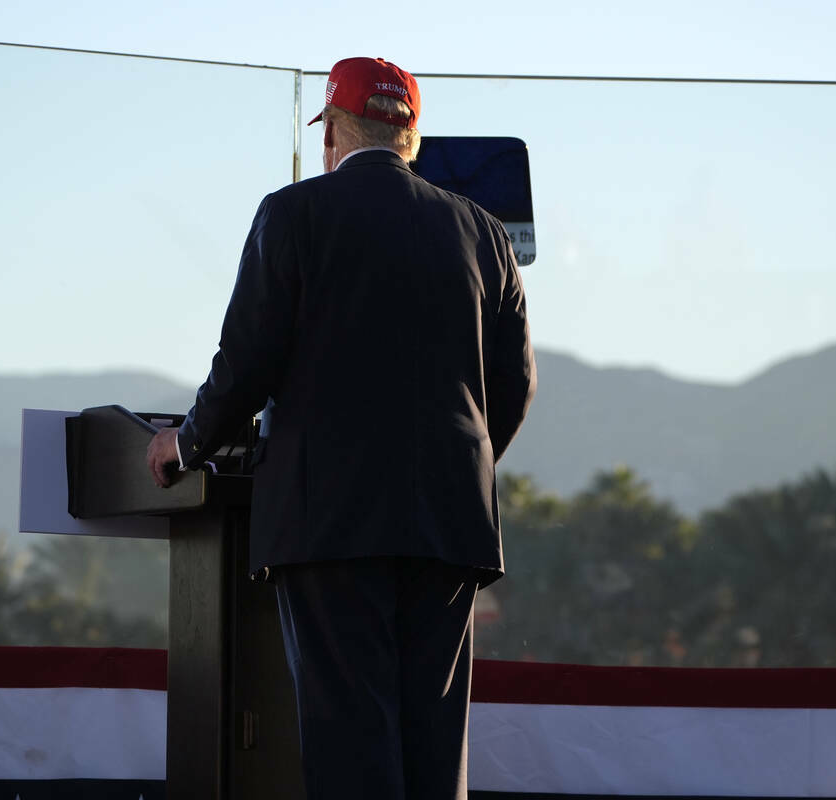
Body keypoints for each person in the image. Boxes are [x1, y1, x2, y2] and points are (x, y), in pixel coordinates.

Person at [146, 56, 536, 800]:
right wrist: (460, 469)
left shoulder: (294, 214)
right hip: (451, 528)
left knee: (352, 744)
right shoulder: (486, 236)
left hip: (330, 524)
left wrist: (184, 443)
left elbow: (247, 363)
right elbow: (514, 386)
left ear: (333, 135)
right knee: (432, 752)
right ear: (411, 138)